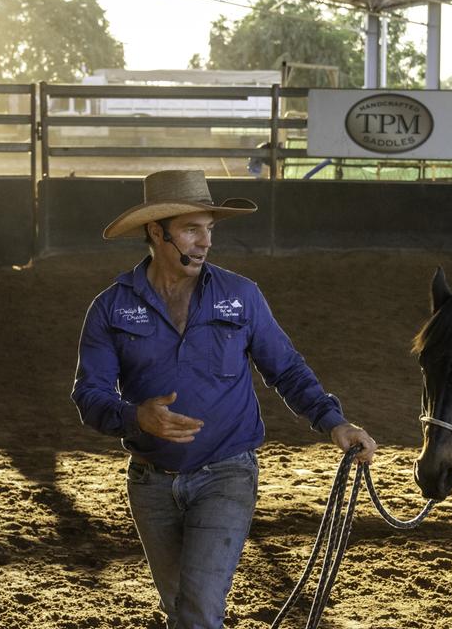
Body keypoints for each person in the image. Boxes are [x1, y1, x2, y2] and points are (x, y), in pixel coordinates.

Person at [71, 169, 377, 629]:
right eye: (192, 229)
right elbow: (88, 394)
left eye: (209, 229)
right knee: (182, 609)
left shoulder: (241, 296)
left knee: (196, 609)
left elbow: (286, 369)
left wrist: (335, 423)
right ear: (158, 232)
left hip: (227, 473)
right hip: (150, 483)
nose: (205, 241)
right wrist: (135, 417)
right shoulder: (111, 307)